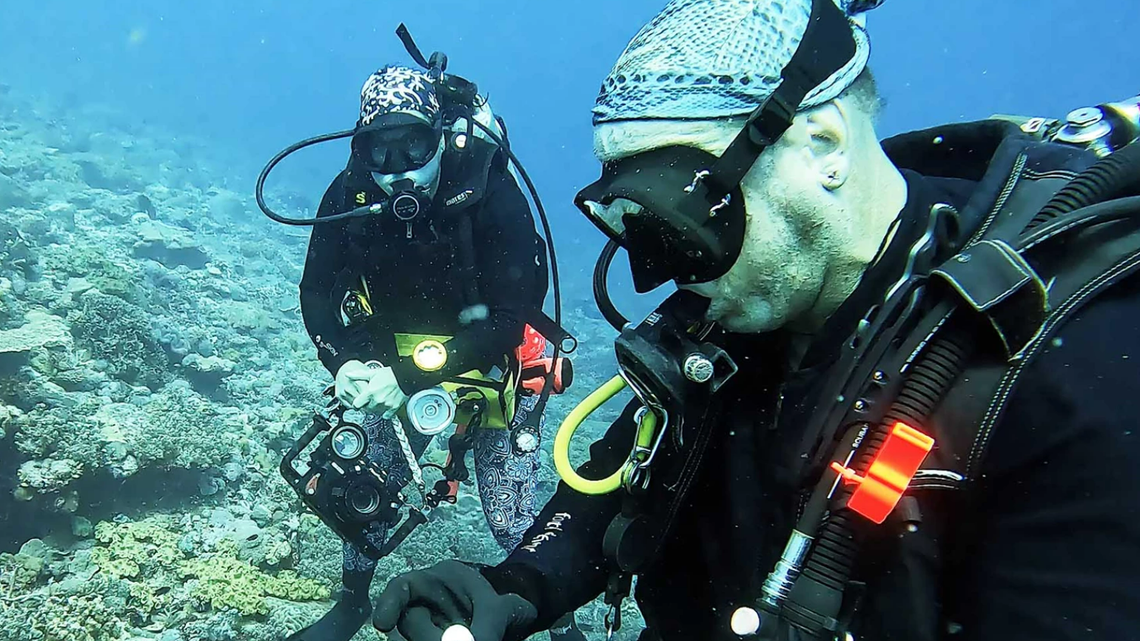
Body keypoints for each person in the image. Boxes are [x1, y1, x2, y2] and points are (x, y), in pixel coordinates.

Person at [367, 1, 1140, 640]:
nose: (663, 268)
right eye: (632, 217)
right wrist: (518, 584)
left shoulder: (1078, 373)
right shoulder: (740, 308)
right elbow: (626, 470)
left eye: (681, 206)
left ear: (825, 144)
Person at [287, 64, 585, 641]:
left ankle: (561, 622)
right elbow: (316, 290)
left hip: (495, 362)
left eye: (416, 145)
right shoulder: (348, 194)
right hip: (394, 362)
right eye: (382, 151)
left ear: (442, 138)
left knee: (509, 516)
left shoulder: (491, 193)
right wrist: (343, 362)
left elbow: (509, 320)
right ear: (361, 151)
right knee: (364, 488)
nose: (399, 168)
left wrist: (402, 377)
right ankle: (351, 604)